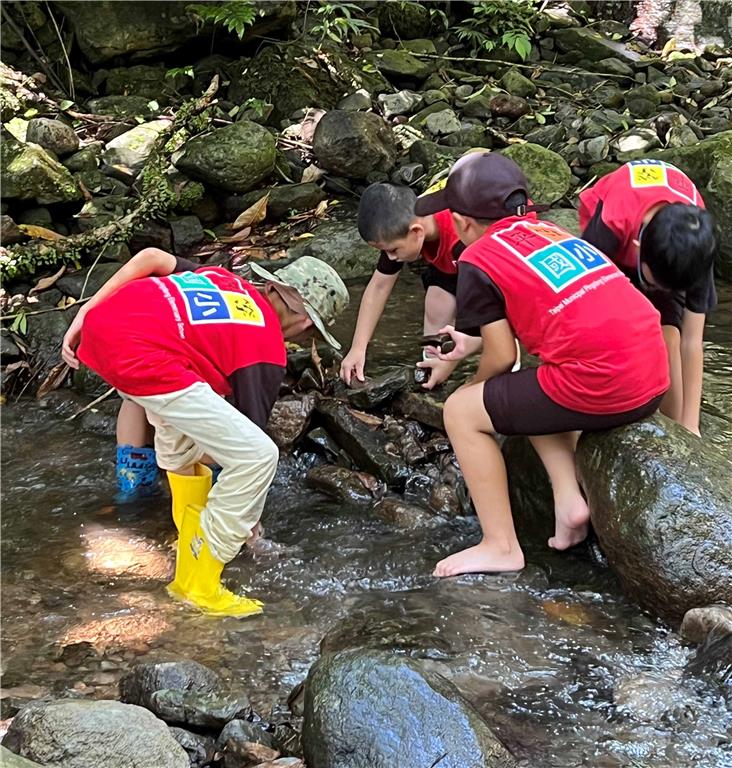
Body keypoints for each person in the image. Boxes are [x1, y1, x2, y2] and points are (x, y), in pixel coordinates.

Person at [414, 153, 669, 577]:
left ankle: (500, 546)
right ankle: (569, 503)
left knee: (463, 410)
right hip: (651, 374)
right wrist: (468, 350)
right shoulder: (549, 231)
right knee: (531, 386)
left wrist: (472, 391)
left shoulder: (478, 258)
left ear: (459, 222)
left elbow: (503, 357)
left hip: (608, 384)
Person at [62, 248, 349, 617]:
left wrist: (86, 312)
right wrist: (248, 527)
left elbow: (151, 256)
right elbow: (246, 451)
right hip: (143, 358)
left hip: (104, 332)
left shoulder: (225, 280)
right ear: (308, 324)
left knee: (184, 425)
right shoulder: (265, 349)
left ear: (273, 285)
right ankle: (199, 584)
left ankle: (186, 537)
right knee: (260, 457)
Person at [579, 160, 717, 436]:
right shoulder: (608, 228)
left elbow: (692, 341)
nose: (659, 293)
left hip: (666, 248)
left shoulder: (697, 251)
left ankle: (674, 426)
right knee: (610, 323)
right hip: (614, 235)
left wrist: (690, 425)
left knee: (670, 337)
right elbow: (582, 306)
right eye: (656, 285)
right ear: (637, 249)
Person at [339, 182, 465, 388]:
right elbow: (379, 286)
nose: (390, 257)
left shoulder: (462, 238)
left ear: (417, 232)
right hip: (449, 261)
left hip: (494, 261)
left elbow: (483, 307)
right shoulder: (404, 223)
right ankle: (431, 364)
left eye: (393, 250)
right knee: (437, 302)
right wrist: (358, 348)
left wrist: (454, 361)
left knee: (488, 320)